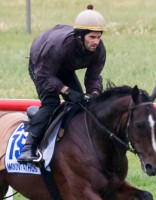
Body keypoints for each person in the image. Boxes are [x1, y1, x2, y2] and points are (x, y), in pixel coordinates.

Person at [17, 5, 107, 164]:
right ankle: (28, 149)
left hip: (64, 68)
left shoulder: (99, 51)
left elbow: (93, 78)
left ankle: (70, 140)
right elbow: (44, 75)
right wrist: (65, 90)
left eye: (98, 37)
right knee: (51, 103)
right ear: (80, 36)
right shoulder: (58, 46)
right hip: (41, 67)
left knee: (81, 103)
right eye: (92, 37)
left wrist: (94, 94)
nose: (96, 42)